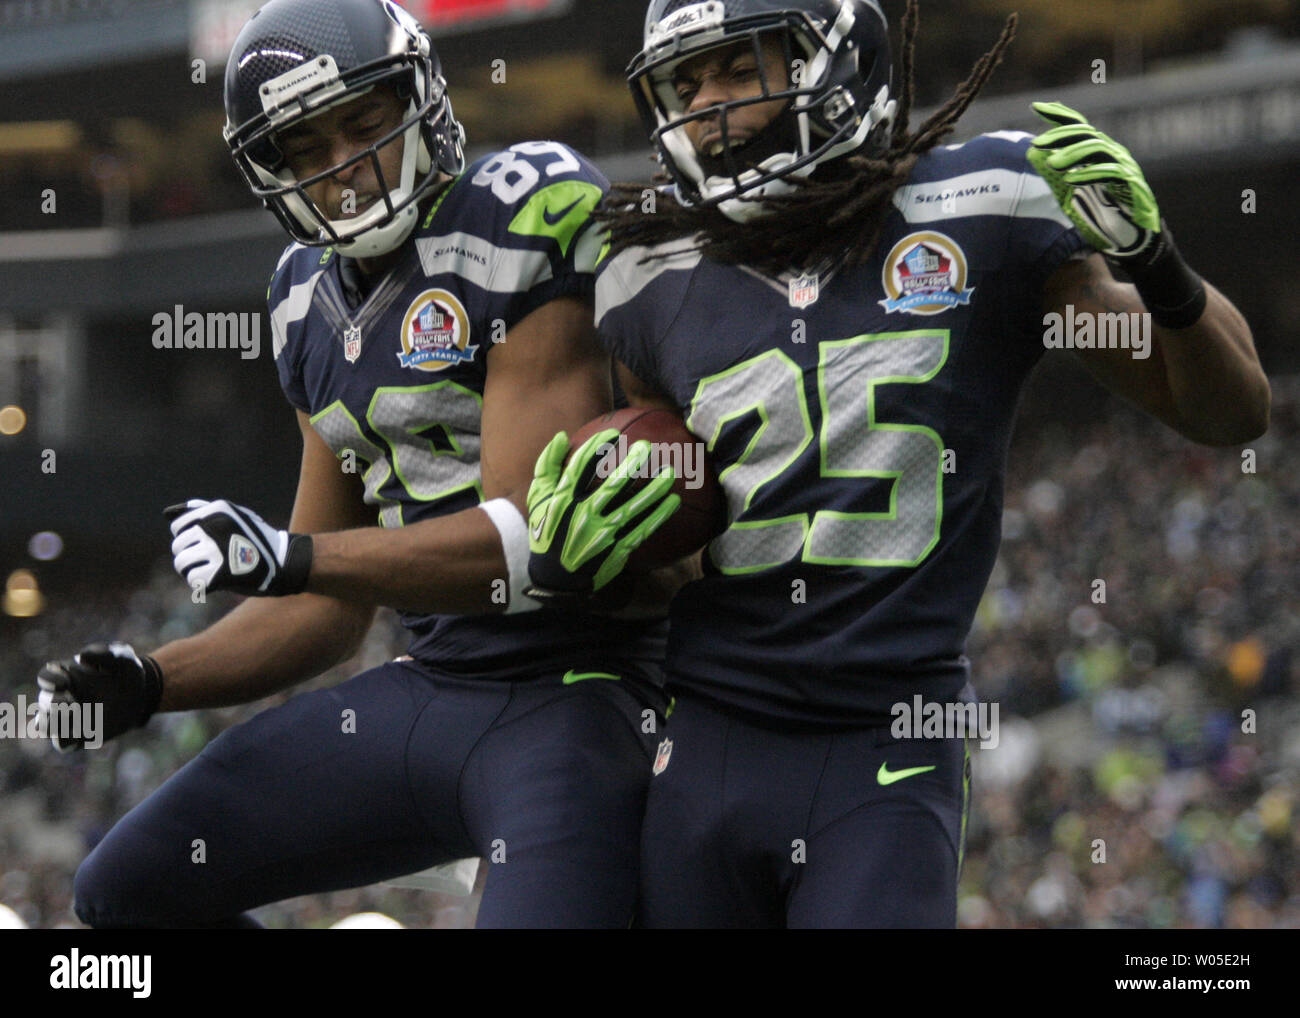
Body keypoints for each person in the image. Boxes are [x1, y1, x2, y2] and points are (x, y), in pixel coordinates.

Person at [524, 0, 1271, 927]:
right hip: (713, 732)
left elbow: (1230, 410)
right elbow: (677, 545)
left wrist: (1157, 265)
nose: (707, 105)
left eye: (736, 68)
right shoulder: (651, 272)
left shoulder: (984, 207)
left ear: (836, 62)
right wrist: (589, 554)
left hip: (892, 734)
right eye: (688, 84)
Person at [35, 0, 671, 929]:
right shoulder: (299, 300)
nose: (344, 163)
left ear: (421, 100)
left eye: (365, 124)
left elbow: (533, 549)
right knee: (124, 893)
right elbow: (326, 614)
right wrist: (155, 678)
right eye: (308, 145)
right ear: (272, 170)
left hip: (582, 693)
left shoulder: (519, 210)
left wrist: (291, 557)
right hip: (437, 688)